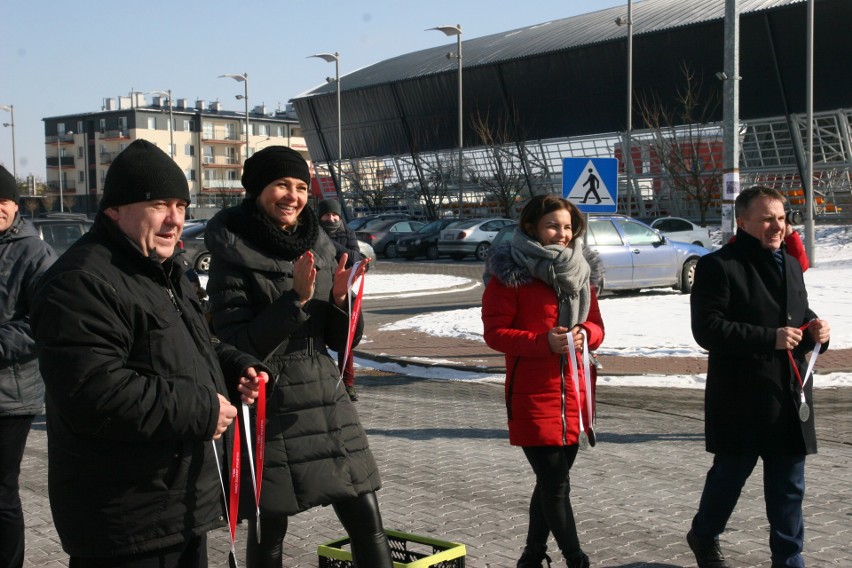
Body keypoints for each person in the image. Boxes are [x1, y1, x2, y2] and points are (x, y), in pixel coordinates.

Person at [30, 140, 268, 568]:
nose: (175, 219)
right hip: (126, 517)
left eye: (181, 205)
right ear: (115, 210)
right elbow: (94, 393)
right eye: (159, 204)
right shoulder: (81, 282)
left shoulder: (166, 271)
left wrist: (233, 367)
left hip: (179, 503)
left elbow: (194, 346)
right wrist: (200, 408)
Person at [204, 146, 393, 568]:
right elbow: (237, 342)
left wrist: (342, 301)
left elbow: (340, 342)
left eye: (301, 187)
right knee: (268, 532)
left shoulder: (320, 246)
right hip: (268, 402)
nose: (292, 195)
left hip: (326, 400)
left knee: (368, 521)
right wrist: (297, 298)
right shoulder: (232, 255)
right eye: (281, 185)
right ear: (257, 191)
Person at [687, 186, 831, 568]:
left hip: (789, 393)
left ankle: (788, 559)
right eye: (767, 218)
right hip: (741, 397)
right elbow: (707, 329)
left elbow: (793, 314)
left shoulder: (788, 262)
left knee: (788, 487)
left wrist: (814, 329)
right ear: (743, 221)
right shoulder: (719, 265)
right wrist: (770, 338)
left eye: (782, 218)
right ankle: (704, 534)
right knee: (729, 479)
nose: (777, 226)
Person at [482, 194, 605, 568]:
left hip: (574, 394)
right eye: (553, 225)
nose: (562, 234)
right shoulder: (510, 274)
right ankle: (576, 559)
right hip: (533, 395)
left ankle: (532, 556)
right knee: (556, 486)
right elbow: (495, 333)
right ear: (532, 227)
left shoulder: (581, 272)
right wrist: (542, 343)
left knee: (550, 485)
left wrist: (585, 332)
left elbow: (598, 326)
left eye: (568, 227)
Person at [0, 165, 56, 568]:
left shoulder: (33, 251)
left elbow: (42, 322)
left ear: (14, 205)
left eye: (1, 201)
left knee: (1, 494)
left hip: (10, 397)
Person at [317, 198, 362, 401]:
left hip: (343, 291)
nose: (331, 218)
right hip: (318, 290)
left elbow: (355, 258)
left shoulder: (347, 233)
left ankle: (348, 382)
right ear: (320, 216)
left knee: (347, 339)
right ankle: (322, 380)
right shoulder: (311, 233)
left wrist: (327, 243)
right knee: (318, 337)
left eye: (335, 215)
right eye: (327, 215)